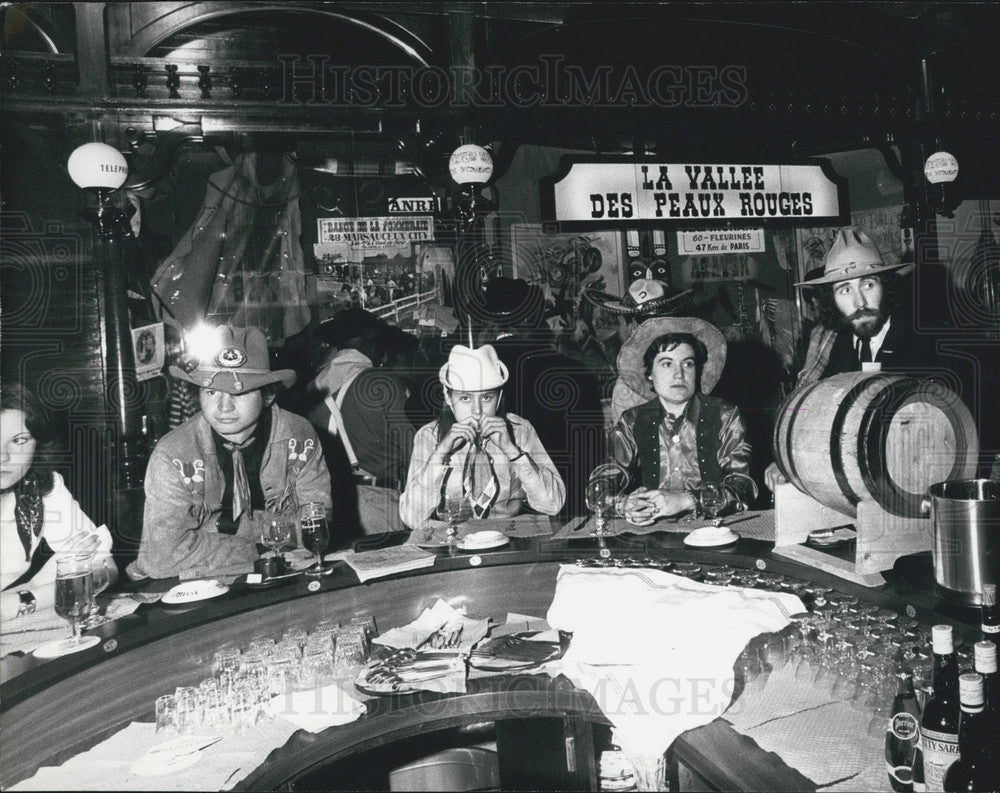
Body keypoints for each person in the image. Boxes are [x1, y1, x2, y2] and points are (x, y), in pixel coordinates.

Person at [765, 226, 961, 490]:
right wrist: (785, 458)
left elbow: (955, 431)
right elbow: (806, 408)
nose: (859, 302)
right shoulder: (831, 343)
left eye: (868, 284)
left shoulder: (931, 342)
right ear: (831, 300)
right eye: (844, 290)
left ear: (887, 286)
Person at [128, 326, 330, 580]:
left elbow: (317, 528)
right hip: (204, 585)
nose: (224, 407)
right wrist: (256, 547)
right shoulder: (174, 453)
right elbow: (159, 558)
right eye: (211, 392)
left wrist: (232, 526)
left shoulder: (298, 435)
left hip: (287, 577)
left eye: (240, 393)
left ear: (268, 396)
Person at [598, 317, 755, 524]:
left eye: (688, 364)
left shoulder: (725, 415)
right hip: (653, 534)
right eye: (666, 364)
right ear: (650, 373)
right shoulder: (632, 420)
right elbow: (603, 480)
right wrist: (623, 504)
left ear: (697, 371)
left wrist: (687, 501)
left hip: (715, 530)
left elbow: (742, 485)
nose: (679, 374)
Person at [399, 344, 565, 528]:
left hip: (508, 535)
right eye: (465, 398)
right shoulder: (429, 436)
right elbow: (412, 519)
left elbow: (553, 505)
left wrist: (513, 452)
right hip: (452, 537)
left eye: (486, 398)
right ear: (448, 397)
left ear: (499, 397)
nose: (477, 411)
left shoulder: (520, 430)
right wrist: (440, 454)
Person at [479, 277, 605, 516]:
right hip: (567, 506)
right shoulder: (572, 370)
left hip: (495, 510)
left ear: (485, 322)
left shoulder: (470, 376)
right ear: (534, 320)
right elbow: (591, 452)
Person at [1, 384, 116, 624]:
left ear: (37, 443)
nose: (3, 457)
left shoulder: (40, 485)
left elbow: (104, 567)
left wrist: (25, 596)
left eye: (19, 440)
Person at [307, 312, 420, 535]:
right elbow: (415, 455)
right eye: (378, 341)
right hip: (379, 505)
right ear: (365, 340)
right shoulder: (381, 383)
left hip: (332, 503)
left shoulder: (312, 386)